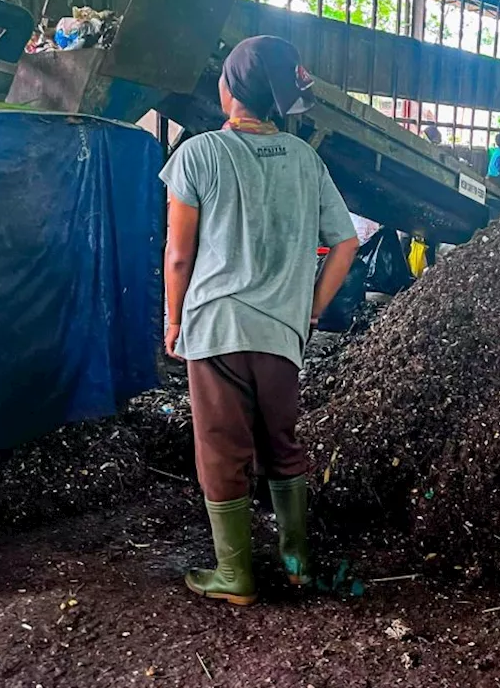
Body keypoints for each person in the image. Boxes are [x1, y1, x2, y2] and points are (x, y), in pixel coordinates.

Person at [159, 36, 360, 606]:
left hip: (216, 327)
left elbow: (179, 256)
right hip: (282, 332)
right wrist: (311, 308)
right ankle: (296, 562)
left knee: (222, 449)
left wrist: (174, 322)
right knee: (282, 441)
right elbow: (343, 244)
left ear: (228, 91)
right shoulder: (306, 160)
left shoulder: (198, 155)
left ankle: (235, 575)